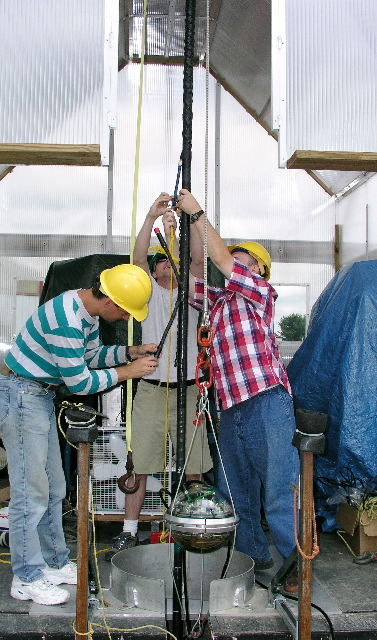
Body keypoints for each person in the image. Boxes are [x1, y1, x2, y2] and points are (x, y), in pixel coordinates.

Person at [0, 264, 159, 606]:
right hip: (21, 395)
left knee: (53, 488)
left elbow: (91, 357)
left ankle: (53, 563)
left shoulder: (86, 311)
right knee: (30, 493)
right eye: (127, 312)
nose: (126, 319)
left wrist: (129, 352)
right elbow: (80, 383)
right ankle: (26, 577)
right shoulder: (66, 319)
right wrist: (128, 372)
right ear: (110, 300)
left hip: (36, 396)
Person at [177, 189, 300, 589]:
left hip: (266, 400)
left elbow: (220, 260)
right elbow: (198, 265)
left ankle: (296, 568)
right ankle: (255, 561)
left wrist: (199, 214)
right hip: (229, 408)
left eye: (242, 257)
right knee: (235, 492)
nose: (233, 260)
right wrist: (181, 224)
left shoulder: (260, 293)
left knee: (280, 491)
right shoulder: (218, 302)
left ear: (257, 269)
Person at [105, 193, 212, 560]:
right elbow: (135, 259)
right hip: (150, 390)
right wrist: (151, 217)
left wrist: (182, 220)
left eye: (172, 260)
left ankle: (196, 526)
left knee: (195, 466)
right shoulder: (146, 294)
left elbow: (196, 261)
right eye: (160, 262)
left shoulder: (193, 291)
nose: (167, 266)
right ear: (152, 270)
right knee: (141, 463)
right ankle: (129, 531)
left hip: (188, 391)